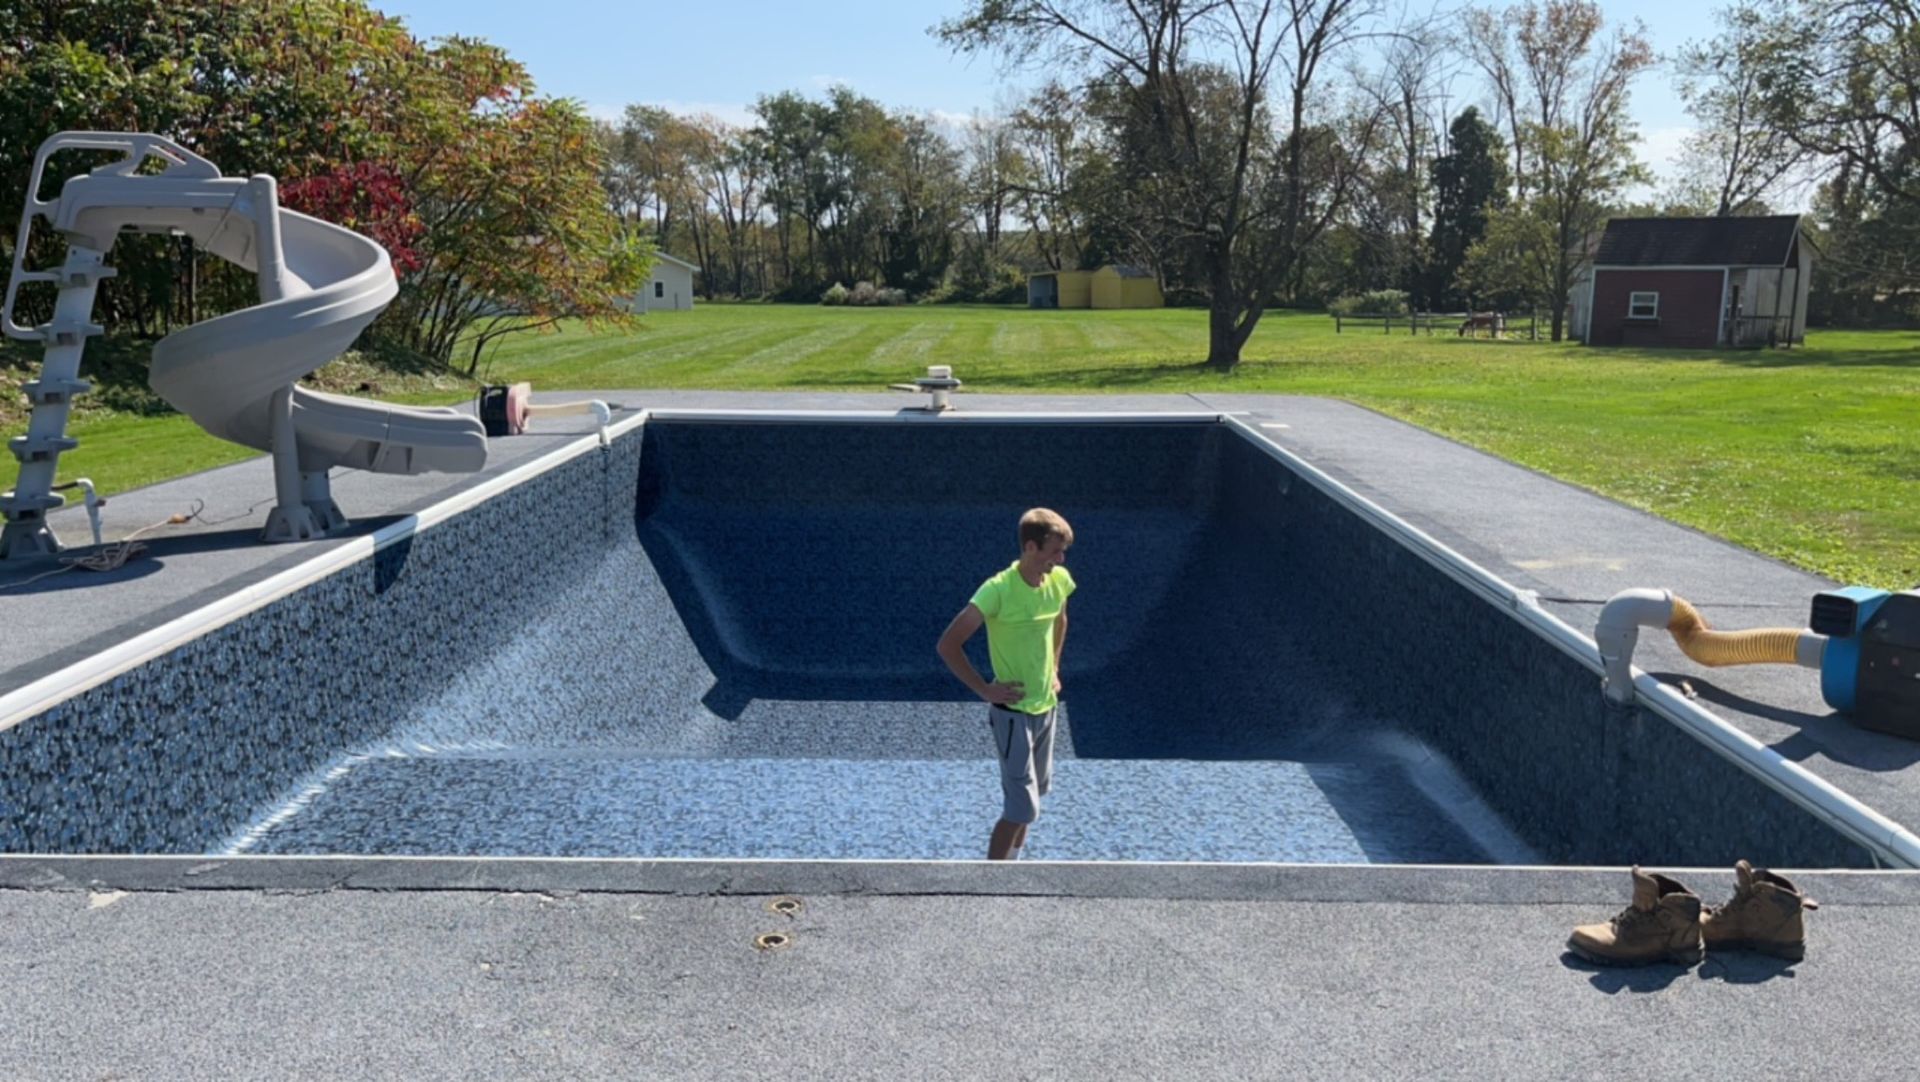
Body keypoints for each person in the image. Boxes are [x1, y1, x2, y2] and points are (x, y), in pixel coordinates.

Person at [936, 508, 1075, 860]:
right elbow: (948, 645)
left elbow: (1060, 619)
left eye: (1063, 553)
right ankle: (991, 882)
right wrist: (984, 689)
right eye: (1053, 552)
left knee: (1036, 794)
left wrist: (1054, 666)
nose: (1059, 560)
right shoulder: (996, 590)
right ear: (1030, 547)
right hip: (1012, 714)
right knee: (1021, 809)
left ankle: (1013, 868)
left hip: (1046, 707)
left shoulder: (1058, 581)